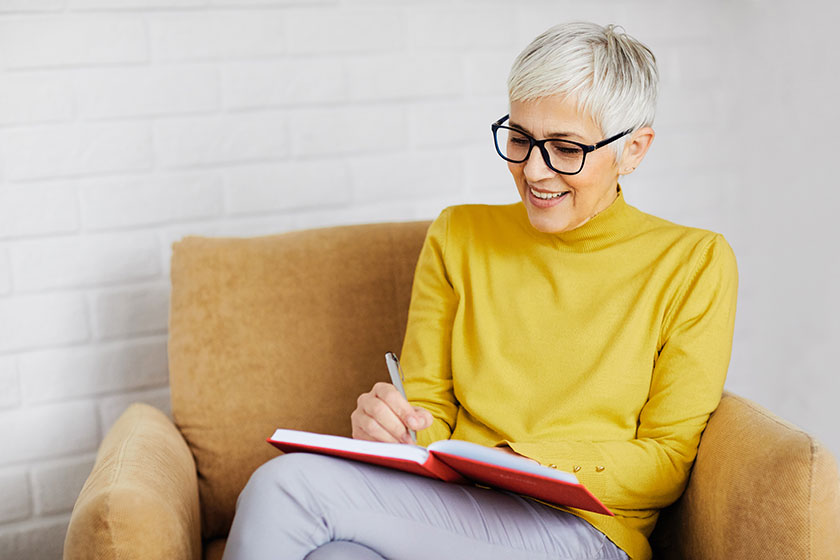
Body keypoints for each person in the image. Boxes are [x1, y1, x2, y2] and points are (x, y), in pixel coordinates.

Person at [222, 22, 738, 560]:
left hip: (586, 532)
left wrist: (524, 461)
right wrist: (394, 432)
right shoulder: (458, 236)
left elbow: (667, 460)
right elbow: (429, 410)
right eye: (519, 138)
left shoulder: (694, 262)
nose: (533, 169)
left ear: (633, 149)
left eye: (565, 148)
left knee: (286, 487)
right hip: (455, 507)